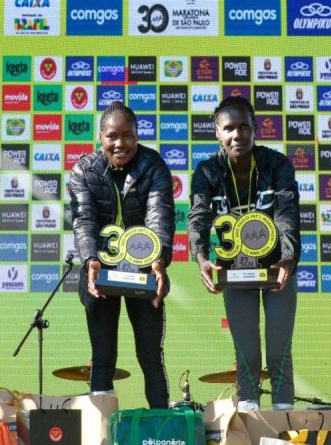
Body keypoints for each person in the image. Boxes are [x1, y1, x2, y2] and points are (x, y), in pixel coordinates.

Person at [188, 96, 300, 412]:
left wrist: (288, 258)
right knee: (247, 354)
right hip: (234, 273)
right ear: (217, 134)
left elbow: (287, 214)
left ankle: (283, 426)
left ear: (254, 129)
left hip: (275, 270)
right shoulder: (208, 171)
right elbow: (197, 216)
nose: (237, 135)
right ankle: (249, 425)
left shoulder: (276, 165)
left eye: (243, 127)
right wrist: (201, 257)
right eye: (228, 128)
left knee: (279, 352)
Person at [68, 101, 173, 408]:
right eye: (113, 136)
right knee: (102, 355)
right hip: (99, 272)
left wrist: (159, 259)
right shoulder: (83, 171)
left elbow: (160, 216)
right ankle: (100, 431)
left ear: (137, 135)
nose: (121, 143)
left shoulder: (153, 165)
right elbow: (84, 219)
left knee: (150, 355)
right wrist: (90, 261)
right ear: (100, 137)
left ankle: (161, 426)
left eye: (128, 135)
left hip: (143, 271)